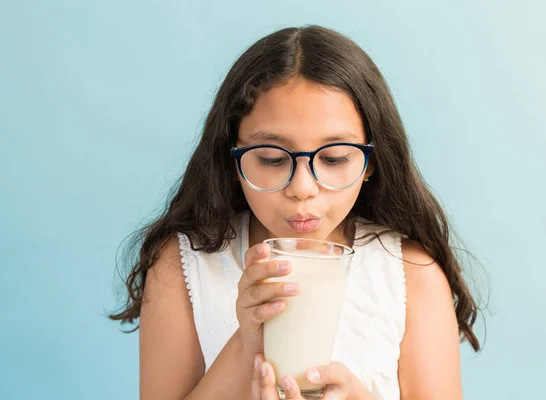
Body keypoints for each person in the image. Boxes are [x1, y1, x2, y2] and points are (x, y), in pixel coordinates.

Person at [111, 25, 480, 400]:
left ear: (372, 161)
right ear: (231, 159)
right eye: (271, 158)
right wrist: (246, 345)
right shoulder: (182, 266)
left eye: (335, 157)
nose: (302, 188)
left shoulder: (411, 276)